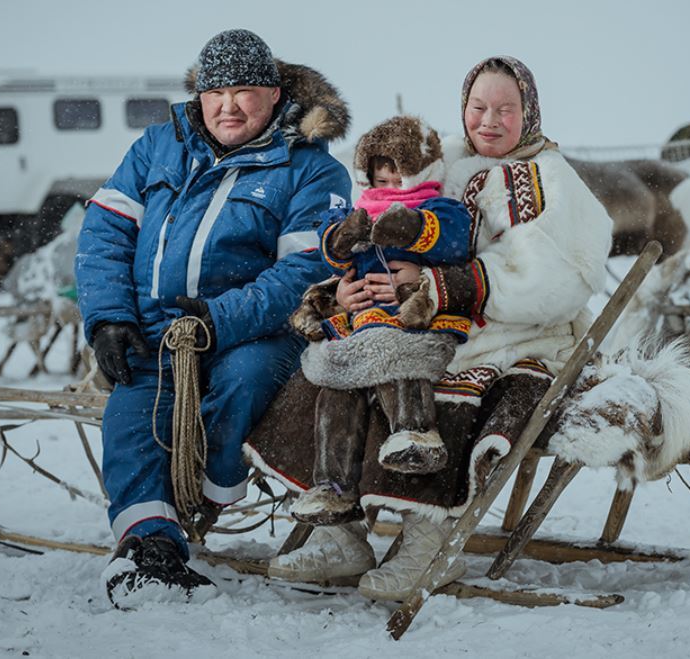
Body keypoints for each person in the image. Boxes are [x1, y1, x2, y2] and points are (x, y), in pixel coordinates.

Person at [245, 56, 613, 600]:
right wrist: (348, 286)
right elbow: (376, 216)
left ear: (529, 113)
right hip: (412, 318)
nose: (489, 120)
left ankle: (427, 540)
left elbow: (558, 280)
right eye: (478, 107)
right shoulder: (440, 159)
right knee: (332, 371)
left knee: (442, 387)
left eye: (505, 110)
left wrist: (436, 283)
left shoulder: (552, 180)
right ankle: (341, 531)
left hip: (514, 332)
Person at [74, 28, 352, 608]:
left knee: (241, 383)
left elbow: (304, 270)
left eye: (245, 91)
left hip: (255, 333)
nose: (227, 105)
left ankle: (210, 493)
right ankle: (152, 547)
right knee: (130, 419)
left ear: (275, 95)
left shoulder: (311, 170)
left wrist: (218, 319)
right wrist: (107, 318)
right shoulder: (157, 146)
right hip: (153, 329)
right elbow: (105, 233)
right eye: (214, 91)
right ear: (198, 94)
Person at [285, 115, 475, 525]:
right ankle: (331, 486)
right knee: (337, 384)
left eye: (398, 178)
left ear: (420, 171)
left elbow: (455, 237)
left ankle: (415, 432)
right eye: (380, 181)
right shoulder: (363, 214)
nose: (389, 190)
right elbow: (335, 257)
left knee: (398, 356)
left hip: (413, 322)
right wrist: (341, 242)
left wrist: (410, 227)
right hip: (361, 322)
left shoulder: (436, 206)